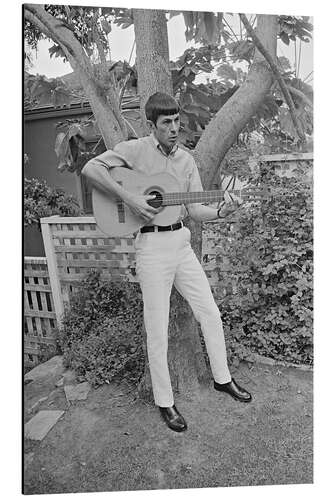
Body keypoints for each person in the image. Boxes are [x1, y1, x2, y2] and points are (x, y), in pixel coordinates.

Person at [82, 92, 252, 433]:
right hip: (151, 248)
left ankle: (222, 378)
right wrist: (129, 197)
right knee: (156, 329)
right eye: (167, 123)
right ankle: (165, 402)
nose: (174, 129)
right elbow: (90, 169)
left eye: (177, 122)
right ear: (151, 125)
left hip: (181, 244)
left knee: (210, 312)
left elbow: (195, 210)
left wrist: (221, 209)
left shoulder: (186, 161)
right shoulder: (133, 150)